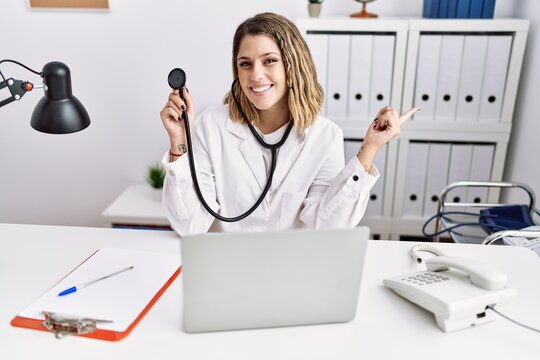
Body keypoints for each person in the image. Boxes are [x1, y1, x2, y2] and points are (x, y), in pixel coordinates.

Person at [160, 12, 419, 237]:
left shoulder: (324, 136)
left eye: (269, 60)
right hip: (225, 267)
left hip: (294, 271)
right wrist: (178, 142)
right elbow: (189, 225)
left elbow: (328, 227)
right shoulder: (210, 125)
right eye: (245, 64)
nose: (256, 75)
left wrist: (369, 149)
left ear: (292, 66)